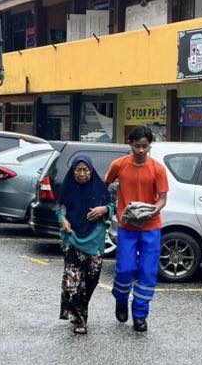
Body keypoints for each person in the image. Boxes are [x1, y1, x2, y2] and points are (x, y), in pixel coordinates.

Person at [105, 125, 169, 332]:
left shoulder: (158, 169)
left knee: (148, 271)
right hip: (127, 226)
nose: (141, 150)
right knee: (125, 268)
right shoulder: (119, 165)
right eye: (137, 146)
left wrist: (152, 210)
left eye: (145, 146)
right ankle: (121, 299)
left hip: (151, 226)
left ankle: (140, 314)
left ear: (150, 146)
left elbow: (162, 199)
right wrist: (107, 207)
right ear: (130, 144)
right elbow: (104, 184)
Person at [56, 154, 112, 335]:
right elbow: (60, 208)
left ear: (91, 170)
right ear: (73, 172)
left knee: (90, 280)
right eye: (78, 170)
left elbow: (112, 206)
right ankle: (80, 318)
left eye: (85, 170)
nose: (82, 174)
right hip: (72, 238)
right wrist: (63, 220)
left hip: (94, 241)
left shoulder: (99, 187)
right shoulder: (68, 187)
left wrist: (104, 209)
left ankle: (80, 308)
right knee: (72, 281)